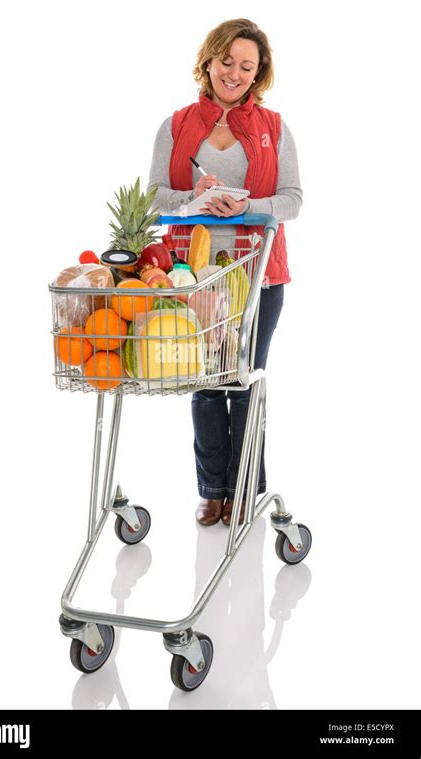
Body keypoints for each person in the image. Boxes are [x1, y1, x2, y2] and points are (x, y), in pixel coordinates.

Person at [147, 18, 302, 526]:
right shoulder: (175, 126)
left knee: (243, 381)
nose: (234, 73)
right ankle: (213, 490)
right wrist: (195, 196)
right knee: (206, 385)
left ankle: (245, 489)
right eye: (227, 61)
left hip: (258, 278)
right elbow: (153, 198)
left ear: (259, 75)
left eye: (247, 66)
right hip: (192, 277)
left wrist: (243, 203)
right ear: (210, 60)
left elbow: (292, 200)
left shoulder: (274, 129)